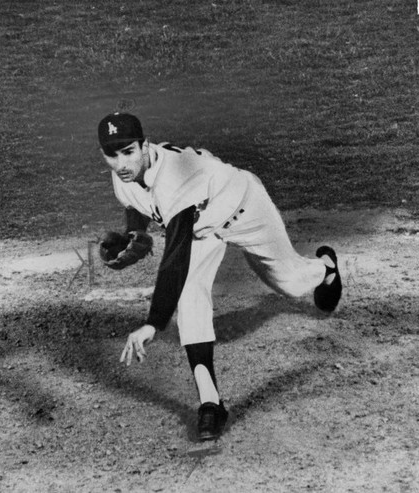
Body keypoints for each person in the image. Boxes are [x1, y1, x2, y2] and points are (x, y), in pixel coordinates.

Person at [96, 112, 342, 441]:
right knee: (189, 296)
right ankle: (211, 404)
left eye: (128, 151)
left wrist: (153, 323)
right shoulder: (122, 175)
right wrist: (134, 233)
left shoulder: (175, 177)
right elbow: (135, 202)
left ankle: (325, 267)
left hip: (243, 207)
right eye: (112, 155)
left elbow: (175, 258)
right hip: (201, 228)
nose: (121, 162)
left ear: (144, 145)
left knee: (288, 282)